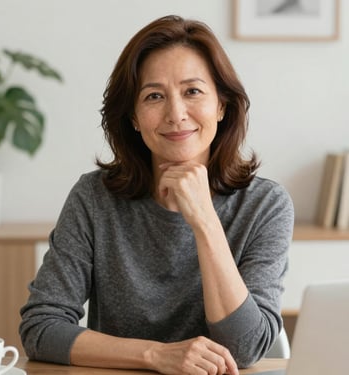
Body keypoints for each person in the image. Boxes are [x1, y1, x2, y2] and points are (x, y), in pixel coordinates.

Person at [19, 15, 294, 375]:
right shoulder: (93, 197)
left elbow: (244, 349)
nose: (176, 114)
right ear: (133, 116)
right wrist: (155, 355)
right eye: (154, 96)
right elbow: (41, 327)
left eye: (193, 91)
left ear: (222, 106)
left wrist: (205, 221)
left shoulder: (266, 205)